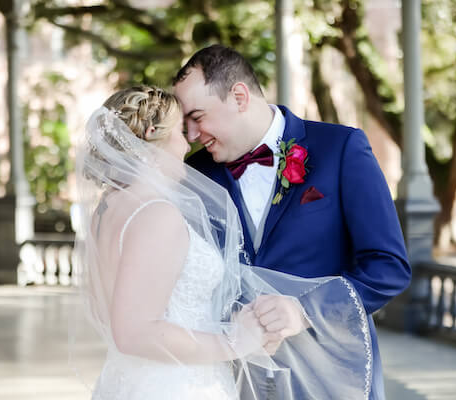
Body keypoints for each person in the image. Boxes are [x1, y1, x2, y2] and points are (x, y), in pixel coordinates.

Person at [73, 86, 373, 399]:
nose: (187, 144)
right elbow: (135, 332)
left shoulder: (108, 209)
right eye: (179, 131)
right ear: (153, 134)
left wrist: (251, 331)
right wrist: (234, 342)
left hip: (129, 380)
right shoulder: (156, 214)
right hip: (178, 386)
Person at [173, 44, 411, 399]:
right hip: (231, 380)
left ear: (239, 96)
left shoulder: (341, 148)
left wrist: (304, 310)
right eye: (185, 124)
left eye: (197, 116)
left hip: (330, 376)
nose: (191, 135)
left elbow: (389, 268)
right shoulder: (194, 175)